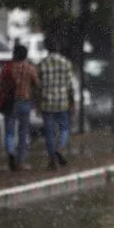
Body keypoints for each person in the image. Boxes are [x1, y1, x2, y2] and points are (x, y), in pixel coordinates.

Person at [0, 44, 39, 171]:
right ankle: (21, 162)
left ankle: (10, 152)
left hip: (10, 103)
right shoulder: (30, 68)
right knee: (23, 133)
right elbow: (36, 84)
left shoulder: (8, 68)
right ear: (25, 55)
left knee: (9, 132)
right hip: (25, 102)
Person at [37, 37, 76, 170]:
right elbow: (71, 85)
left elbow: (38, 86)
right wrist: (73, 102)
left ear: (48, 49)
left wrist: (38, 102)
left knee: (49, 132)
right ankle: (59, 148)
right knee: (64, 129)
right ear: (58, 48)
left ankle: (52, 158)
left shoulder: (42, 64)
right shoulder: (66, 63)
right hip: (62, 102)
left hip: (47, 103)